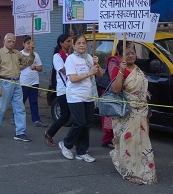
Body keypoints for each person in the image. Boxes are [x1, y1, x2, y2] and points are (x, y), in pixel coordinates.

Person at [109, 40, 157, 185]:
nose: (130, 56)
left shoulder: (137, 68)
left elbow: (139, 86)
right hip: (128, 114)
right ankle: (130, 172)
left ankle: (145, 171)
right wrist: (121, 71)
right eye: (127, 53)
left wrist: (145, 92)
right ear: (119, 55)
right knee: (130, 144)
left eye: (133, 53)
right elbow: (116, 89)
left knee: (142, 143)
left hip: (141, 112)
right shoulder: (118, 70)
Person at [59, 35, 103, 163]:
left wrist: (97, 64)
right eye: (79, 43)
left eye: (84, 43)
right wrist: (89, 73)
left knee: (88, 122)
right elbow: (72, 78)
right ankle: (66, 144)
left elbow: (100, 74)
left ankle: (81, 151)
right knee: (79, 122)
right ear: (74, 45)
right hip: (75, 95)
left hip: (88, 95)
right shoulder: (71, 59)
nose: (82, 45)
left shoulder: (89, 58)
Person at [0, 33, 33, 141]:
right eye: (9, 41)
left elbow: (28, 62)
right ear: (4, 41)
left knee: (20, 108)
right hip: (4, 82)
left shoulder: (17, 53)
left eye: (13, 41)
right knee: (2, 109)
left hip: (17, 82)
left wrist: (31, 50)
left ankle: (20, 132)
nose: (11, 43)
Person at [44, 34, 73, 147]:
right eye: (67, 41)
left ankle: (74, 141)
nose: (70, 43)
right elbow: (63, 70)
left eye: (71, 41)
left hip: (73, 89)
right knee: (65, 117)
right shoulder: (57, 56)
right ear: (61, 44)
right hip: (63, 89)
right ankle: (49, 133)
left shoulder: (70, 55)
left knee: (77, 117)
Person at [20, 36, 46, 127]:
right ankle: (15, 116)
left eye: (31, 43)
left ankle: (36, 119)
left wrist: (35, 67)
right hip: (23, 82)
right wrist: (27, 63)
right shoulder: (20, 54)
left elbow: (40, 68)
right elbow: (16, 67)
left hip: (34, 81)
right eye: (27, 43)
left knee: (34, 101)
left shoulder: (36, 55)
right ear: (23, 44)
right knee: (21, 101)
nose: (29, 45)